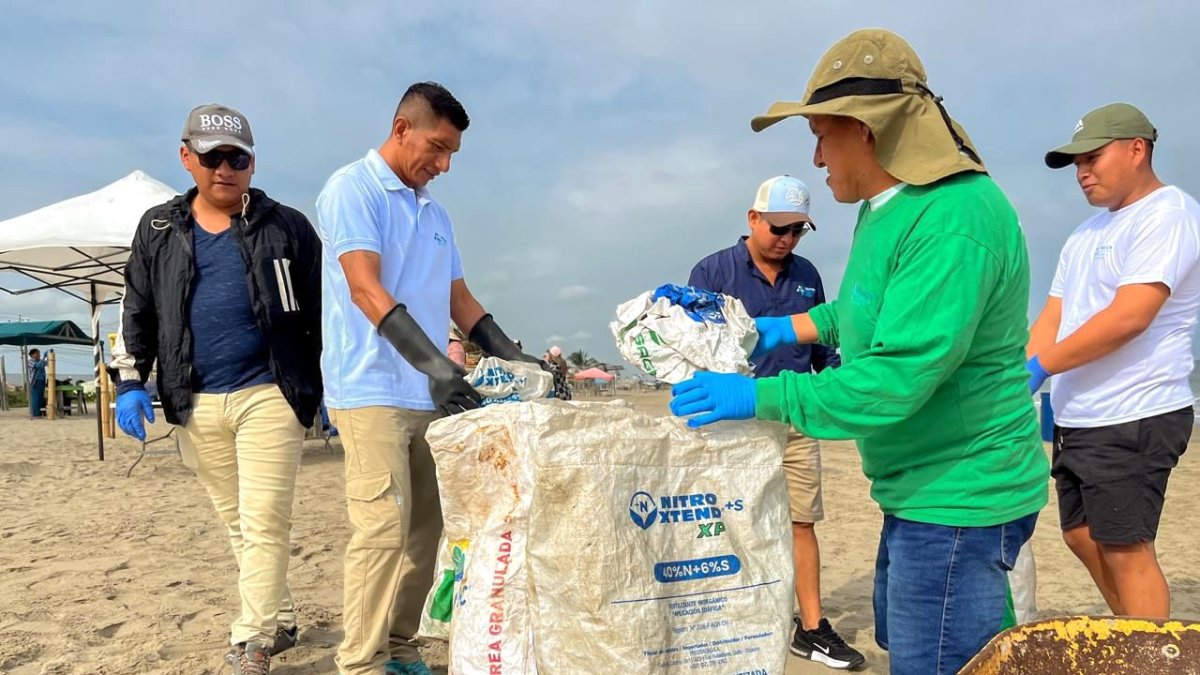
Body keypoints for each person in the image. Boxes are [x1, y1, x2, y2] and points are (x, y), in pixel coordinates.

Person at [669, 29, 1048, 675]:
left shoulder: (954, 217)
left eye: (821, 134)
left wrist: (758, 394)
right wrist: (786, 328)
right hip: (912, 489)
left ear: (866, 130)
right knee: (908, 649)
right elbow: (865, 312)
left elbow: (895, 378)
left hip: (963, 498)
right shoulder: (887, 210)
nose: (817, 158)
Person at [315, 81, 546, 675]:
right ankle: (360, 661)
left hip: (428, 396)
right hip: (370, 392)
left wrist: (517, 356)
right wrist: (437, 365)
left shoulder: (435, 212)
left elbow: (459, 298)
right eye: (437, 148)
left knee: (426, 530)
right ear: (402, 129)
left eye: (451, 155)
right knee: (381, 528)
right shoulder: (352, 190)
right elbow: (365, 288)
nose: (442, 165)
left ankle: (398, 643)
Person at [109, 103, 323, 674]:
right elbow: (139, 307)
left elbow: (320, 315)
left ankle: (251, 639)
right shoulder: (158, 228)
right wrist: (132, 381)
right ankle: (280, 621)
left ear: (253, 163)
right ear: (187, 158)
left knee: (264, 519)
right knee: (236, 520)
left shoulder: (289, 227)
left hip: (270, 394)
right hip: (194, 400)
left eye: (238, 158)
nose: (225, 168)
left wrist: (320, 386)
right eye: (212, 157)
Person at [1027, 103, 1200, 619]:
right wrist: (1017, 377)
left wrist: (1042, 368)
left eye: (1093, 158)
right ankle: (1134, 637)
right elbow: (1053, 317)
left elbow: (1130, 316)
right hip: (1080, 415)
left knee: (1127, 548)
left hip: (1137, 411)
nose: (1083, 172)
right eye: (1076, 163)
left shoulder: (1168, 214)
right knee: (1080, 535)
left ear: (1136, 149)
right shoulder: (1086, 234)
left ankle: (1149, 654)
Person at [687, 175, 860, 670]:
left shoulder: (807, 274)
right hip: (733, 421)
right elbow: (692, 344)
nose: (786, 239)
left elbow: (824, 346)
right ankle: (736, 616)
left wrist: (839, 391)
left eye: (797, 230)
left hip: (796, 415)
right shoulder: (713, 270)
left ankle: (810, 628)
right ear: (753, 218)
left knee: (801, 520)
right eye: (778, 228)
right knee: (729, 521)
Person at [27, 348, 46, 418]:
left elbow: (48, 363)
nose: (38, 355)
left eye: (39, 353)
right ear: (32, 355)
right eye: (37, 353)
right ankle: (35, 414)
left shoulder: (40, 361)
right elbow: (37, 366)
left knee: (41, 397)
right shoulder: (30, 361)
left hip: (42, 380)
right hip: (35, 381)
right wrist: (44, 357)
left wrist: (49, 356)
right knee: (36, 397)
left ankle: (39, 412)